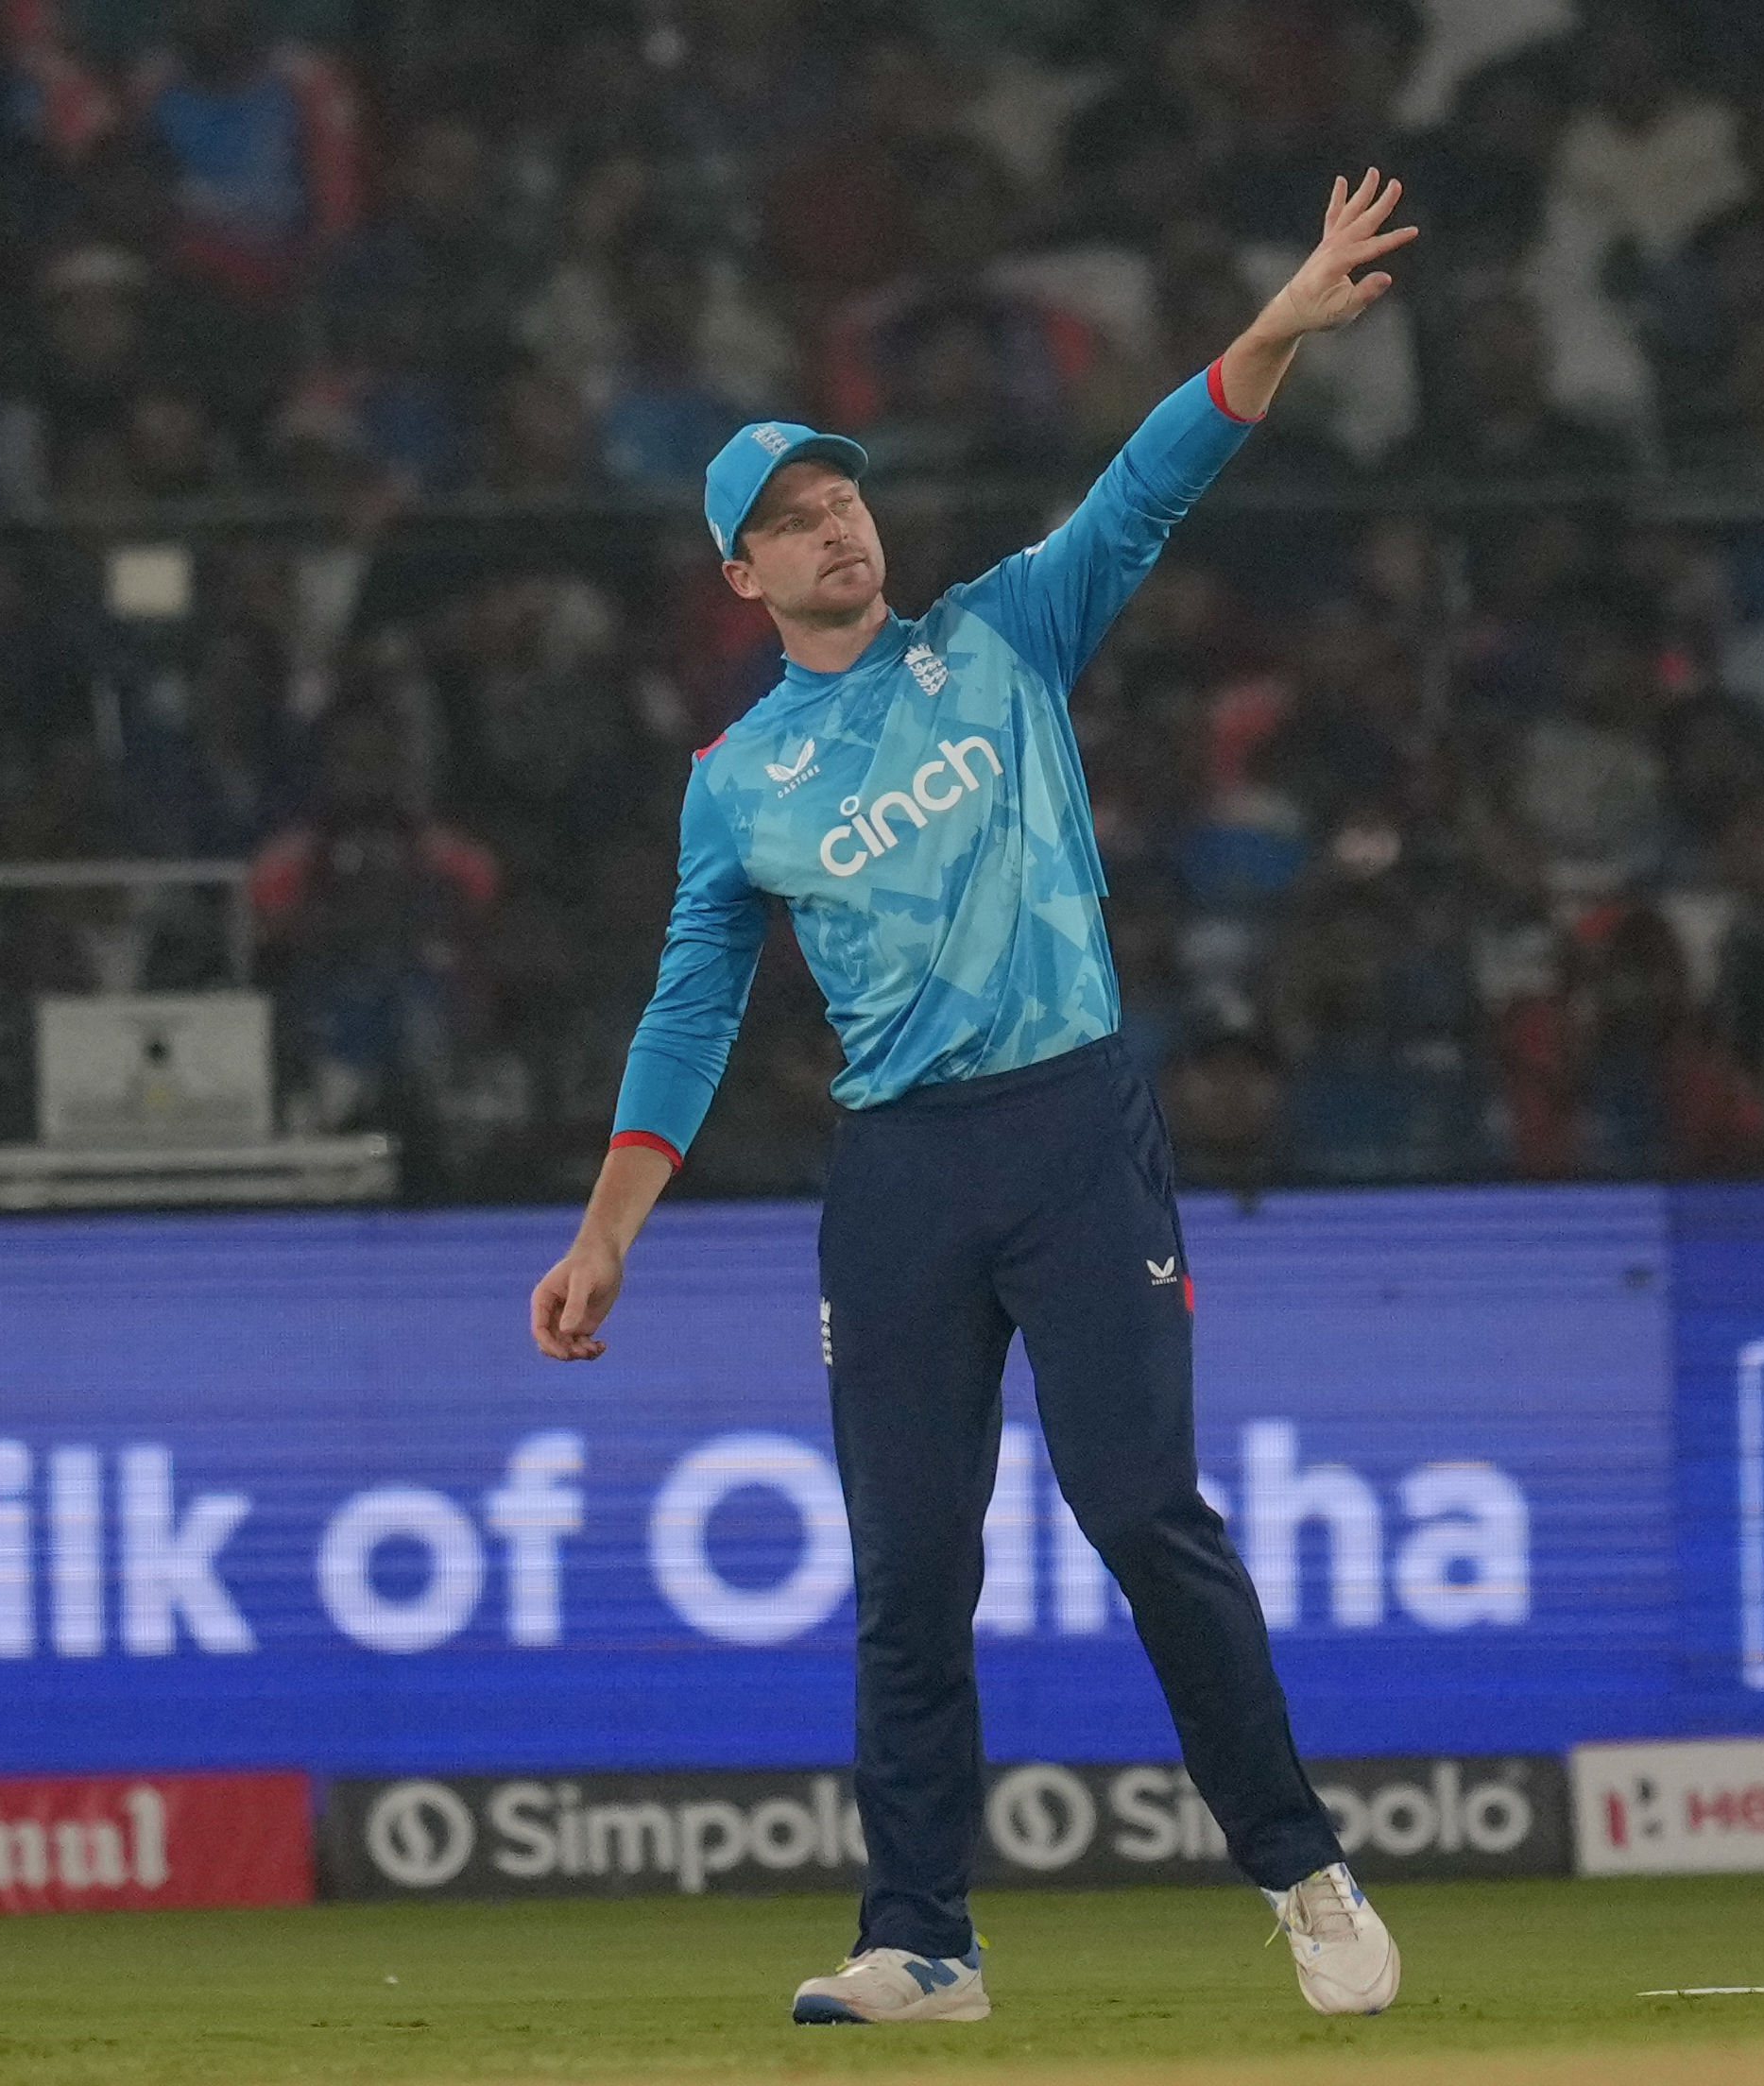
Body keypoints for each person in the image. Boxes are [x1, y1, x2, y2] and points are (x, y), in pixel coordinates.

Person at [527, 172, 1419, 2028]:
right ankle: (922, 1939)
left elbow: (1149, 483)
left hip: (1072, 1128)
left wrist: (1274, 325)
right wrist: (606, 1235)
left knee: (1139, 1505)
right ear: (742, 578)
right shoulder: (735, 779)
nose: (833, 525)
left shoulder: (1000, 633)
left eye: (842, 497)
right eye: (790, 519)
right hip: (902, 1173)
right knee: (909, 1573)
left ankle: (1301, 1869)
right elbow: (691, 1008)